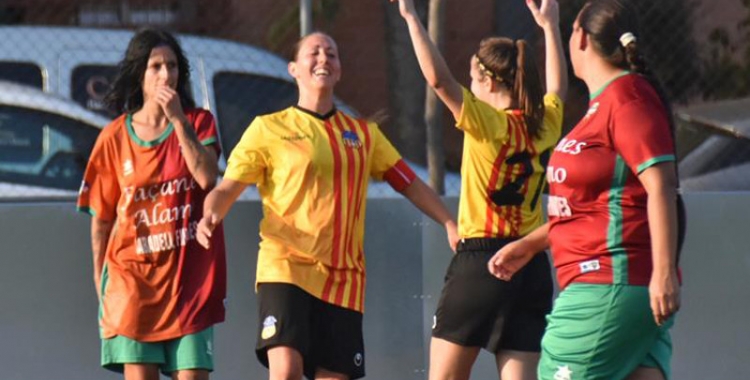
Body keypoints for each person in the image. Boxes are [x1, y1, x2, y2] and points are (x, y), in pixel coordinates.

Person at [195, 31, 459, 380]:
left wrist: (450, 222)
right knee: (286, 370)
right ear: (293, 69)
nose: (323, 59)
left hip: (344, 278)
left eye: (332, 54)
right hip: (285, 266)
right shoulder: (268, 129)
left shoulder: (363, 135)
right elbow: (228, 187)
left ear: (339, 71)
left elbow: (408, 181)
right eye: (314, 52)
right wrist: (212, 211)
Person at [488, 0, 685, 379]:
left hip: (608, 284)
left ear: (580, 38)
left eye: (570, 29)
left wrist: (664, 272)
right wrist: (529, 245)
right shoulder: (603, 105)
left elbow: (660, 187)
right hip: (607, 285)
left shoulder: (628, 99)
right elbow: (591, 205)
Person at [392, 0, 567, 379]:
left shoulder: (487, 123)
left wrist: (411, 17)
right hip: (530, 263)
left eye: (472, 78)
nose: (469, 86)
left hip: (483, 261)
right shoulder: (546, 124)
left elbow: (438, 81)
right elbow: (557, 88)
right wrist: (551, 28)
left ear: (487, 81)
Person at [76, 28, 226, 380]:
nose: (165, 75)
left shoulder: (199, 122)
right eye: (156, 66)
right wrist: (101, 282)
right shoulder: (113, 137)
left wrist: (177, 118)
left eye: (172, 66)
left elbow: (207, 177)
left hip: (189, 283)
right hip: (133, 285)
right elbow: (101, 220)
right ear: (140, 74)